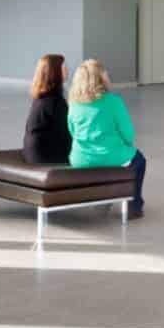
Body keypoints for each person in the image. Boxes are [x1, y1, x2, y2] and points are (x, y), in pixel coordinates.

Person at [68, 59, 145, 219]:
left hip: (80, 159)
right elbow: (128, 134)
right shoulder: (114, 102)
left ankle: (102, 201)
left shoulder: (74, 103)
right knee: (139, 161)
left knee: (103, 165)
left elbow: (72, 131)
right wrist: (126, 145)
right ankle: (134, 205)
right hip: (111, 156)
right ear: (101, 79)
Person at [23, 54, 71, 164]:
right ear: (54, 72)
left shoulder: (41, 99)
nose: (67, 69)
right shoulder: (54, 101)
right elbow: (66, 134)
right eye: (64, 67)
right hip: (46, 157)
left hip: (33, 155)